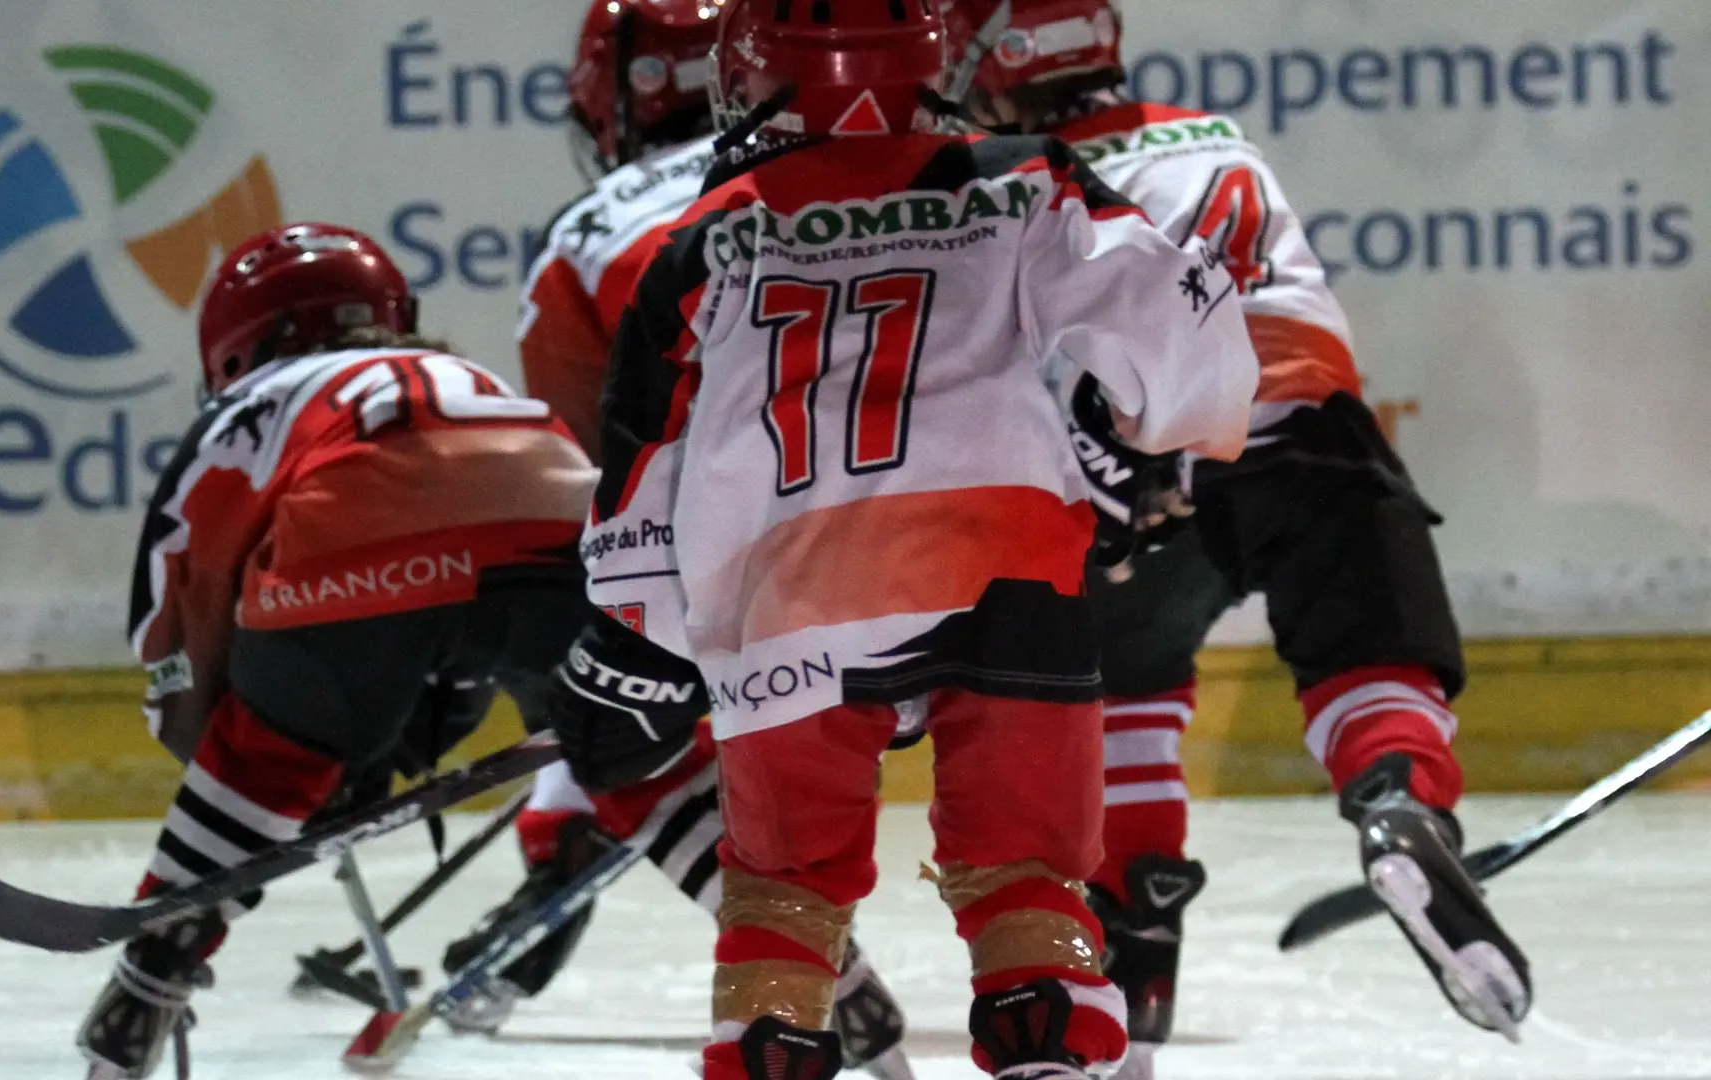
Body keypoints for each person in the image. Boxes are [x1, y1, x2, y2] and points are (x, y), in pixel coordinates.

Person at [559, 0, 1260, 1075]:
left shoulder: (708, 232)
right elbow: (1184, 327)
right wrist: (1168, 444)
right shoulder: (1024, 173)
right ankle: (1053, 1051)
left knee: (784, 889)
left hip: (784, 597)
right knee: (1028, 875)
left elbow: (644, 466)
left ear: (751, 81)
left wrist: (643, 641)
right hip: (1008, 568)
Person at [941, 0, 1534, 1068]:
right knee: (1367, 641)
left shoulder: (1005, 168)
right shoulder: (1216, 134)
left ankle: (1136, 924)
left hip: (1135, 449)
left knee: (1120, 663)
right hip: (1313, 422)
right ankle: (1401, 806)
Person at [452, 4, 916, 1074]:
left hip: (747, 567)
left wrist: (592, 734)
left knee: (632, 725)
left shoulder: (586, 234)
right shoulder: (861, 162)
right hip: (941, 552)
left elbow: (593, 487)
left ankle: (792, 961)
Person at [76, 223, 600, 1080]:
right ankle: (816, 969)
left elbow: (178, 590)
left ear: (239, 347)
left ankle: (147, 979)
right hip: (563, 546)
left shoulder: (258, 400)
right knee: (638, 757)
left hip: (360, 569)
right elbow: (484, 541)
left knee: (267, 753)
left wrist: (230, 746)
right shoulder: (466, 374)